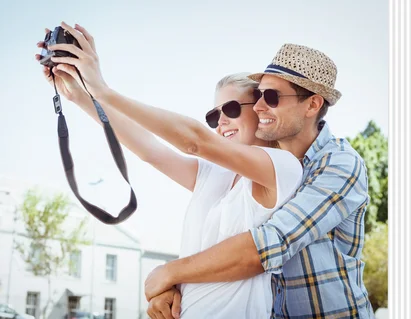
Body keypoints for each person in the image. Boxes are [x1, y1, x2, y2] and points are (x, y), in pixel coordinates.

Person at [41, 22, 376, 318]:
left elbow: (266, 246)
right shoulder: (223, 174)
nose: (260, 107)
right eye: (214, 116)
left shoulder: (329, 165)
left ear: (313, 104)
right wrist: (80, 95)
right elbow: (150, 150)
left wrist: (170, 273)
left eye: (269, 98)